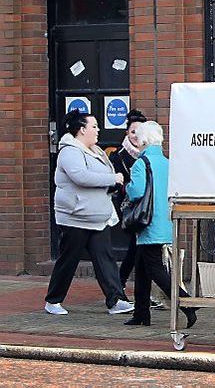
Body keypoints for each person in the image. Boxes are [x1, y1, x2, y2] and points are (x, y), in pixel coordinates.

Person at [44, 110, 134, 316]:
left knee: (105, 258)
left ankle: (116, 300)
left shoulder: (94, 150)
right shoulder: (70, 151)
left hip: (97, 215)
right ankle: (53, 301)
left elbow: (104, 173)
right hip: (76, 216)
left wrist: (112, 181)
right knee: (69, 259)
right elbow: (81, 177)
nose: (98, 130)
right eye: (94, 126)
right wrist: (113, 180)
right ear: (82, 129)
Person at [122, 121, 198, 328]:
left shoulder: (140, 164)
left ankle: (186, 303)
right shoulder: (167, 163)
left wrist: (126, 187)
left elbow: (136, 191)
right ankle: (141, 314)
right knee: (142, 269)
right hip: (163, 221)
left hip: (147, 225)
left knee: (155, 269)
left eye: (137, 137)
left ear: (143, 140)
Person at [109, 109, 162, 310]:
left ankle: (138, 300)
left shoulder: (147, 157)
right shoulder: (119, 156)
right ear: (127, 133)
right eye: (133, 132)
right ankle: (123, 288)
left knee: (138, 253)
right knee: (137, 251)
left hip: (146, 209)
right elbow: (124, 186)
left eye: (139, 132)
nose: (136, 136)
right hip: (132, 209)